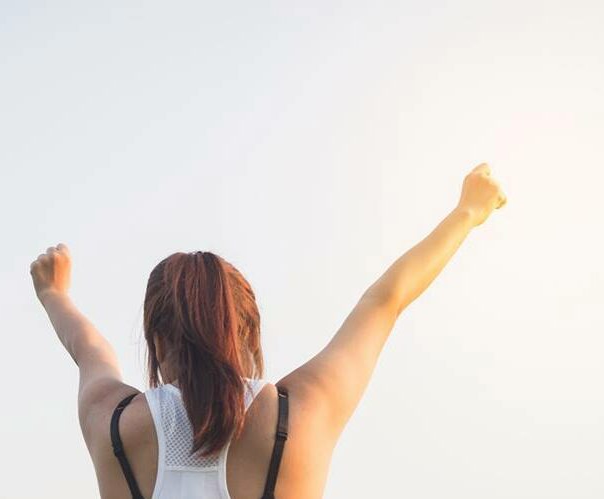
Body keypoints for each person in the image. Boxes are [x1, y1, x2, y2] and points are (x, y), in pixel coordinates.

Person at [30, 163, 507, 499]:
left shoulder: (114, 424)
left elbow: (89, 349)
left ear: (156, 338)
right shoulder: (298, 416)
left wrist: (55, 294)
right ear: (248, 332)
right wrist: (467, 212)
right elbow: (384, 302)